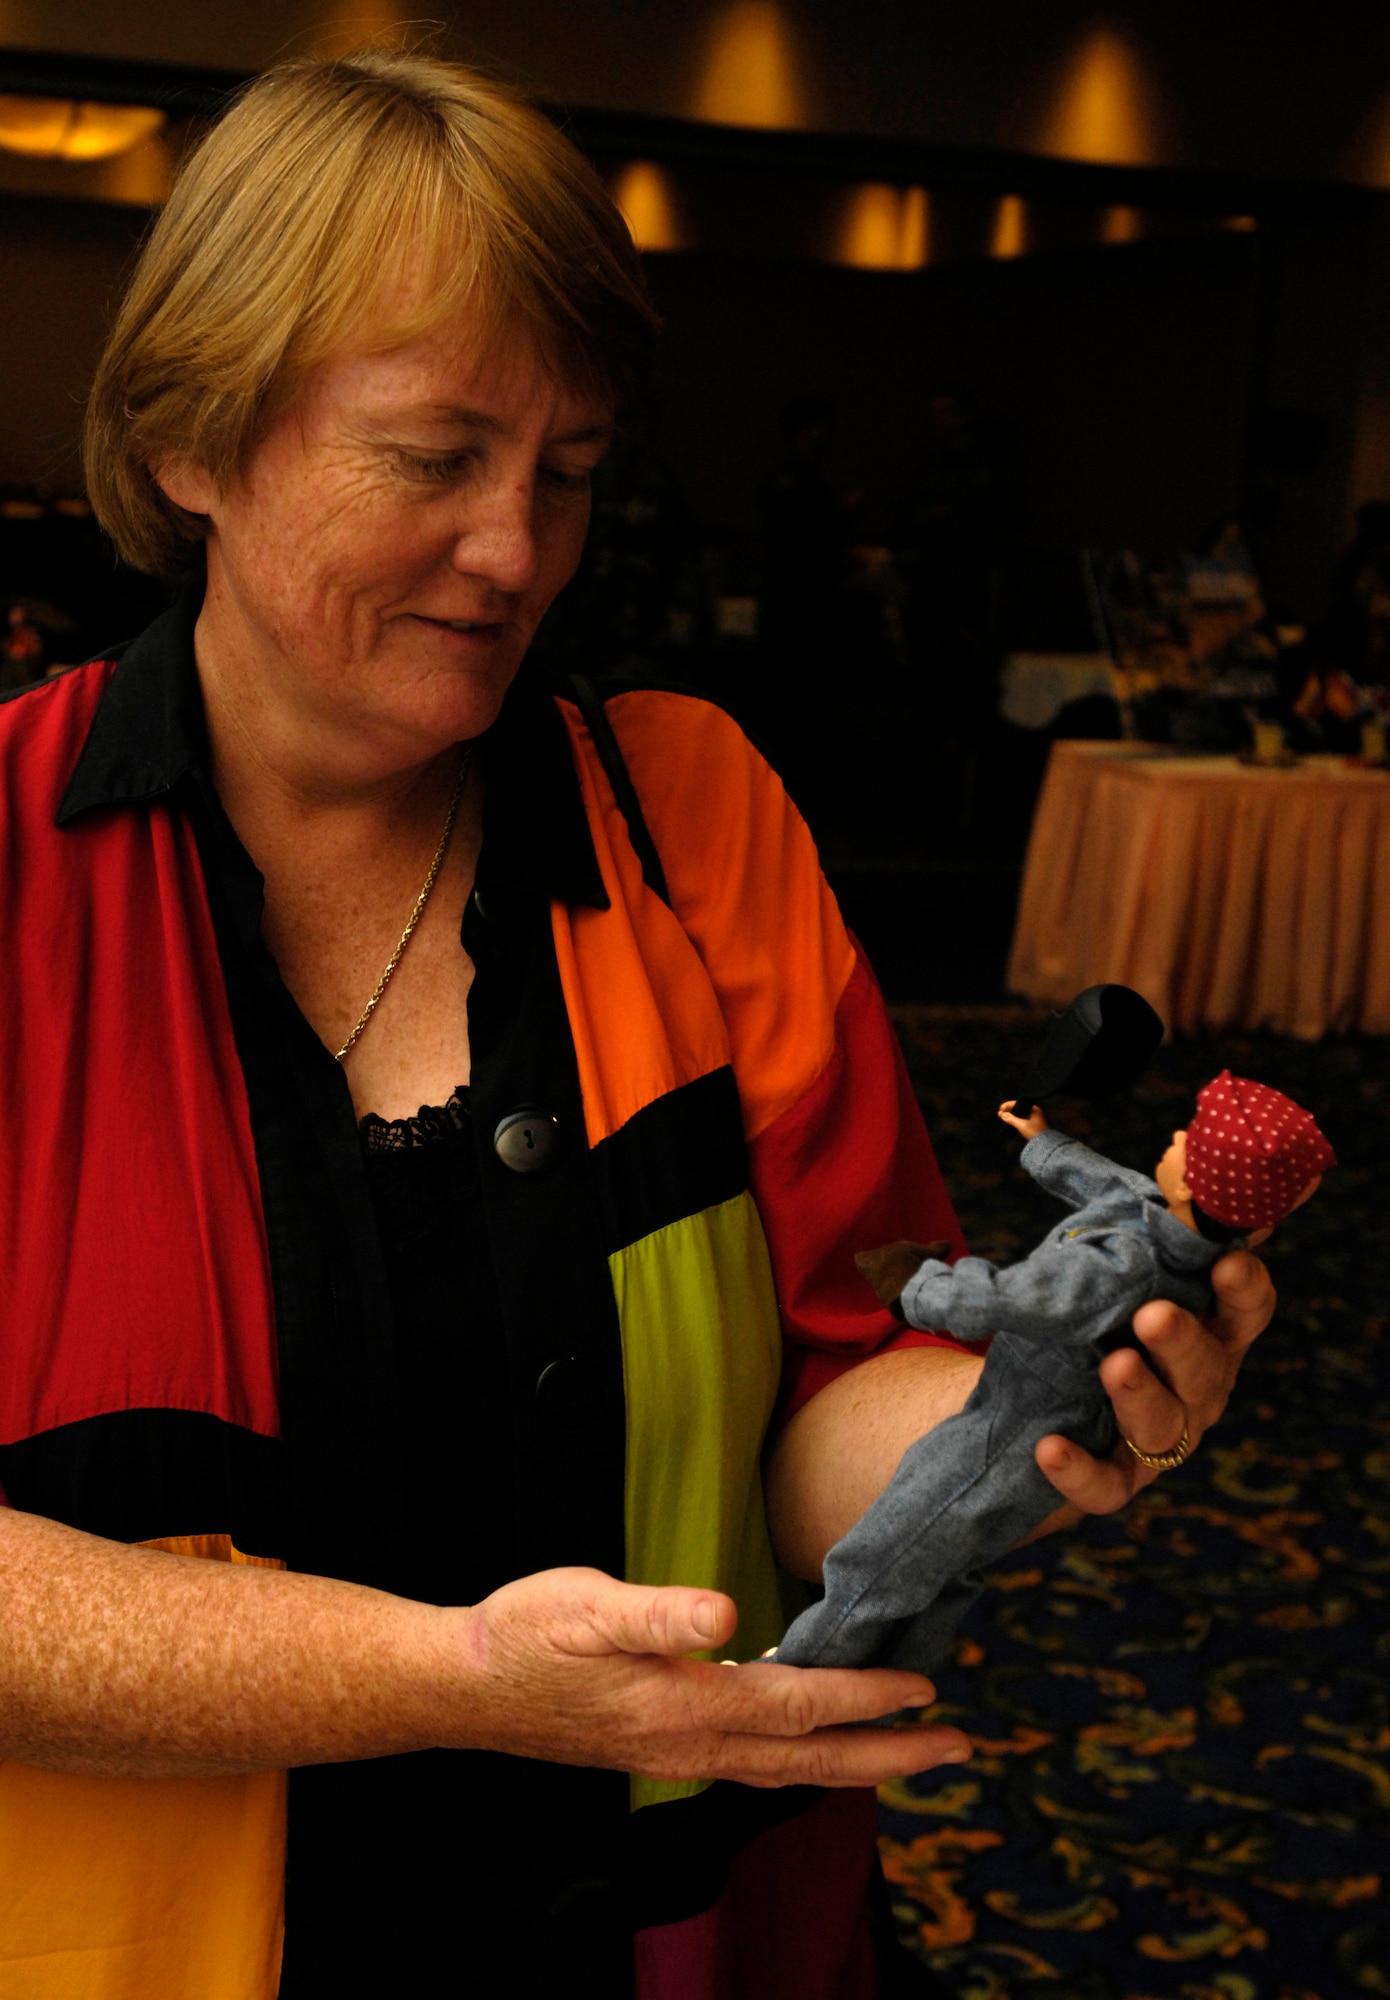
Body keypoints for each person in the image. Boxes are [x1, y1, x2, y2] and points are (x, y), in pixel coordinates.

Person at [0, 49, 1274, 2000]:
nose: (517, 553)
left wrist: (1036, 1400)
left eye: (570, 473)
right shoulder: (13, 870)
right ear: (192, 439)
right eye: (434, 459)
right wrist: (461, 1681)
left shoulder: (686, 814)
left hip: (669, 1938)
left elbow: (819, 1411)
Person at [776, 1073, 1331, 1673]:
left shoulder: (1127, 1267)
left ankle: (792, 1680)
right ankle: (881, 1692)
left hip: (1019, 1421)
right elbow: (1100, 1180)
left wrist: (919, 1287)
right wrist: (1040, 1139)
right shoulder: (1165, 1218)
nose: (1174, 1136)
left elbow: (1018, 1297)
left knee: (888, 1549)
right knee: (948, 1567)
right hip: (1033, 1410)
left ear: (1198, 1185)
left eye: (1189, 1140)